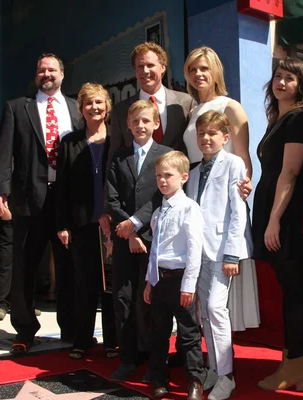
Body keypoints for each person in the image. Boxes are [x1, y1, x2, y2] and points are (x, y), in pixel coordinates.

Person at [0, 53, 84, 355]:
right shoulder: (18, 108)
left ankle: (70, 328)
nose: (47, 74)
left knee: (70, 268)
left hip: (66, 202)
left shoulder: (76, 108)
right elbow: (4, 153)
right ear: (36, 75)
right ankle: (25, 330)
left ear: (62, 74)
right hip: (28, 200)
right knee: (25, 269)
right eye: (41, 69)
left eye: (52, 69)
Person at [252, 57, 303, 391]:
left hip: (286, 219)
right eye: (278, 76)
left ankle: (295, 368)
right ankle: (291, 365)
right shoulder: (279, 118)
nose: (281, 82)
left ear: (301, 86)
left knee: (295, 293)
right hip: (272, 214)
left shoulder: (300, 119)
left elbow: (290, 174)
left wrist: (274, 220)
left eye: (290, 78)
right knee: (290, 292)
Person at [182, 45, 258, 333]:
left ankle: (221, 361)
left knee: (217, 299)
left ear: (216, 71)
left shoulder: (230, 107)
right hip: (193, 200)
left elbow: (243, 158)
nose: (198, 74)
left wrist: (242, 190)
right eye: (192, 69)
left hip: (222, 205)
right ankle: (202, 354)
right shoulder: (192, 109)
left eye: (204, 68)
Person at [103, 100, 172, 380]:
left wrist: (137, 225)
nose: (140, 126)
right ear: (128, 125)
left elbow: (162, 196)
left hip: (154, 240)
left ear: (156, 124)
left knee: (153, 301)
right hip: (123, 239)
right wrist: (128, 229)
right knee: (124, 299)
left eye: (146, 121)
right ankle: (128, 357)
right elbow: (111, 197)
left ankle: (157, 362)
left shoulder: (165, 155)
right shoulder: (119, 157)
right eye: (135, 121)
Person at [186, 111, 251, 400]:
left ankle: (227, 375)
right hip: (198, 251)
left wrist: (232, 254)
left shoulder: (233, 164)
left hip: (222, 250)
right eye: (201, 133)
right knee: (203, 314)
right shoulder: (195, 170)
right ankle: (214, 366)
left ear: (225, 137)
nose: (206, 138)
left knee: (215, 309)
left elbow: (238, 212)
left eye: (212, 133)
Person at [56, 82, 117, 359]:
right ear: (81, 109)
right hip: (81, 225)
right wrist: (63, 224)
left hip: (112, 226)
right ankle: (81, 340)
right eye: (88, 103)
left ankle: (112, 342)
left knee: (112, 284)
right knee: (84, 284)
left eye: (99, 102)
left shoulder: (118, 138)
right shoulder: (69, 142)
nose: (94, 107)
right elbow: (62, 187)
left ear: (107, 107)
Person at [143, 151, 207, 400]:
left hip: (181, 280)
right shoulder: (159, 213)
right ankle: (160, 379)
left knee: (189, 333)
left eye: (167, 175)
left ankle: (195, 382)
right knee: (158, 333)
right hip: (159, 280)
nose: (162, 180)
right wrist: (149, 282)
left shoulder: (189, 209)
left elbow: (194, 250)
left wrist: (188, 286)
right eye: (158, 175)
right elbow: (155, 252)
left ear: (183, 177)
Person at [107, 42, 196, 161]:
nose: (145, 71)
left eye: (150, 65)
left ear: (163, 67)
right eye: (140, 66)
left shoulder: (185, 102)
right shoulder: (121, 110)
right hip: (137, 179)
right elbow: (114, 156)